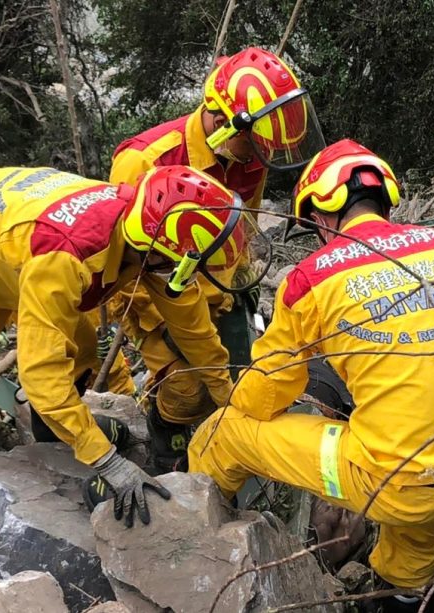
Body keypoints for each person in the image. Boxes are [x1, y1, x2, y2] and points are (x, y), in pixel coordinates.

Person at [188, 139, 434, 610]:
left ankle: (191, 527)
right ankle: (402, 592)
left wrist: (237, 394)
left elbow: (263, 394)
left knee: (229, 430)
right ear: (384, 198)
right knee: (416, 534)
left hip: (392, 484)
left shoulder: (313, 278)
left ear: (320, 216)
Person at [0, 164, 253, 527]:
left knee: (79, 346)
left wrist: (227, 395)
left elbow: (192, 328)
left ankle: (54, 435)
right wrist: (108, 462)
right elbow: (41, 377)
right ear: (154, 251)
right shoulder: (68, 257)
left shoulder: (147, 230)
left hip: (9, 241)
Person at [106, 46, 325, 471]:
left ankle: (225, 456)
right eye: (254, 144)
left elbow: (244, 233)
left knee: (237, 377)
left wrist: (238, 292)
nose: (260, 155)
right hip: (156, 289)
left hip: (220, 286)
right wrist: (163, 331)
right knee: (186, 387)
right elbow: (127, 262)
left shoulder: (249, 156)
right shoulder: (146, 161)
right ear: (223, 124)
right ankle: (166, 435)